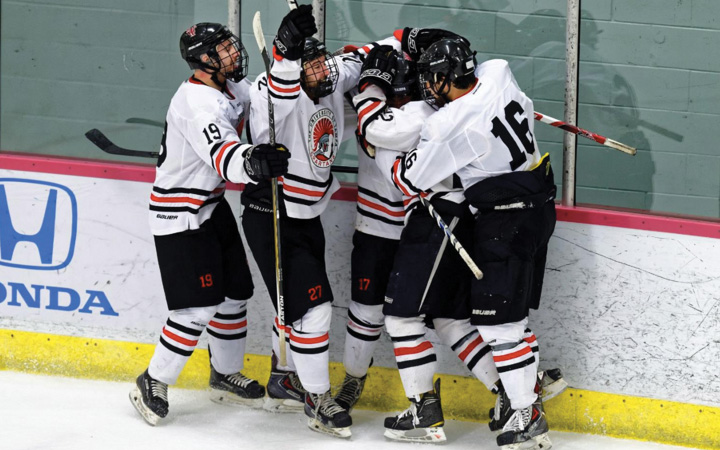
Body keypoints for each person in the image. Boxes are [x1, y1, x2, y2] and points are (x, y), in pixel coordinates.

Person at [390, 37, 557, 449]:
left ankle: (526, 412)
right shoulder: (498, 71)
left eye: (433, 79)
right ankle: (524, 393)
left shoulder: (449, 126)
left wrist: (395, 157)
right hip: (540, 205)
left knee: (499, 322)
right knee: (510, 316)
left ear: (447, 78)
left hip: (506, 221)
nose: (428, 86)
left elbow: (412, 178)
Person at [129, 22, 290, 426]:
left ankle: (223, 374)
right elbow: (226, 157)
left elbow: (268, 96)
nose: (234, 55)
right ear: (203, 61)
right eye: (223, 50)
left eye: (231, 47)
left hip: (210, 204)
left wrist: (291, 59)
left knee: (236, 292)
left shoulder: (230, 88)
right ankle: (152, 380)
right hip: (179, 213)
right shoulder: (197, 104)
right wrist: (253, 161)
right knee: (195, 308)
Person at [242, 5, 389, 438]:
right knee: (314, 309)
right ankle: (317, 399)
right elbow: (277, 90)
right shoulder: (268, 95)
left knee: (295, 305)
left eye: (323, 63)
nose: (325, 73)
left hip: (308, 214)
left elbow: (360, 58)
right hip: (272, 210)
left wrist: (402, 46)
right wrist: (284, 51)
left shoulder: (325, 73)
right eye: (313, 67)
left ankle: (284, 377)